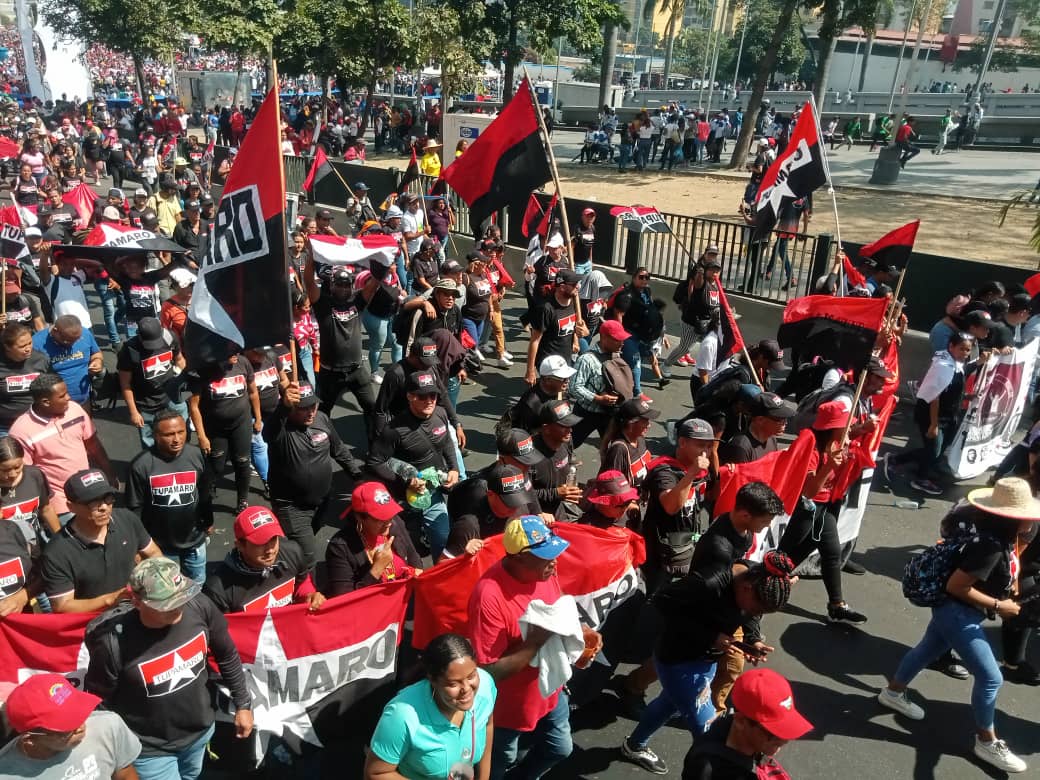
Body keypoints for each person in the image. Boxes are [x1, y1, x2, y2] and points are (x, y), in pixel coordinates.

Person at [878, 478, 1039, 774]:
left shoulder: (998, 539)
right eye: (1028, 514)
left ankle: (892, 693)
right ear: (1013, 517)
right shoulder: (990, 548)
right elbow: (957, 586)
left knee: (926, 650)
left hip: (954, 613)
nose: (1032, 519)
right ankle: (986, 742)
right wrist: (998, 606)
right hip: (958, 614)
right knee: (991, 679)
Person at [620, 552, 796, 775]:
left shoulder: (758, 578)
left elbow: (747, 615)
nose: (754, 614)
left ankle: (634, 746)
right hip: (679, 660)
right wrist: (711, 636)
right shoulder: (709, 583)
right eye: (756, 609)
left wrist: (754, 639)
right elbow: (662, 602)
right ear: (747, 588)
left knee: (669, 702)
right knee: (710, 735)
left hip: (705, 661)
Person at [84, 557, 254, 780]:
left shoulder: (199, 605)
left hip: (200, 733)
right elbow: (100, 703)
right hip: (149, 751)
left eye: (181, 595)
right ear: (137, 601)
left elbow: (227, 655)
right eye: (167, 603)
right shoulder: (113, 643)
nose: (177, 605)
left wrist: (243, 704)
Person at [468, 515, 592, 780]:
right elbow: (488, 671)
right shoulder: (488, 596)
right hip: (507, 711)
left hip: (551, 690)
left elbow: (555, 613)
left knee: (560, 748)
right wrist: (536, 640)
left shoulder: (544, 572)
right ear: (517, 558)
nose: (555, 561)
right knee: (501, 760)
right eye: (546, 555)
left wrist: (580, 635)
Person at [366, 633, 496, 780]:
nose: (467, 688)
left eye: (472, 676)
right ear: (433, 680)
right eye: (453, 683)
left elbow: (487, 724)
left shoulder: (485, 685)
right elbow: (375, 773)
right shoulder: (401, 716)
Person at [264, 381, 363, 572]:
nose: (310, 412)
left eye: (313, 405)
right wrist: (282, 408)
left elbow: (339, 450)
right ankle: (303, 594)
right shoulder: (280, 429)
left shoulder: (322, 419)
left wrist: (357, 475)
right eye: (303, 408)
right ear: (291, 407)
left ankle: (282, 558)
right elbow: (269, 431)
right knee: (307, 558)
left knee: (301, 544)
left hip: (322, 502)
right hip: (292, 507)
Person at [367, 370, 460, 561]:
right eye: (422, 396)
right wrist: (405, 482)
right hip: (404, 502)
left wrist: (454, 468)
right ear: (410, 396)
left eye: (433, 395)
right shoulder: (394, 429)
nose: (429, 401)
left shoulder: (440, 413)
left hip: (433, 494)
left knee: (443, 544)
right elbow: (374, 461)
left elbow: (447, 442)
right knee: (406, 553)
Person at [42, 469, 162, 613]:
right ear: (71, 507)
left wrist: (157, 581)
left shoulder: (127, 519)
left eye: (108, 498)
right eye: (92, 502)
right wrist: (111, 599)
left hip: (136, 612)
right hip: (94, 626)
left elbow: (153, 553)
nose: (104, 507)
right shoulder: (57, 552)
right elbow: (62, 606)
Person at [10, 374, 118, 514]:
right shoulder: (21, 431)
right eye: (62, 396)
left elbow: (93, 444)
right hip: (59, 502)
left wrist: (109, 473)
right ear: (45, 402)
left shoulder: (74, 409)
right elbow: (26, 474)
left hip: (89, 492)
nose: (68, 398)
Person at [0, 673, 141, 779]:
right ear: (30, 739)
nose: (80, 727)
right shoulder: (6, 771)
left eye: (78, 712)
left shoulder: (108, 726)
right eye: (66, 726)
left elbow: (125, 775)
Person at [125, 410, 212, 582]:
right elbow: (134, 509)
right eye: (169, 434)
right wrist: (138, 546)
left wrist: (208, 520)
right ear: (155, 435)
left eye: (181, 432)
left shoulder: (196, 455)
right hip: (159, 547)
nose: (177, 439)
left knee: (198, 587)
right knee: (167, 594)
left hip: (194, 542)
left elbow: (205, 492)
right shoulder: (141, 465)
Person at [681, 668, 813, 779]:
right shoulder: (707, 771)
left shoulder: (734, 733)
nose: (784, 739)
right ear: (740, 721)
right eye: (773, 732)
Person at [203, 504, 324, 612]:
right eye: (260, 543)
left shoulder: (292, 552)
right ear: (239, 545)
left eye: (273, 539)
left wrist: (309, 595)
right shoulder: (219, 589)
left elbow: (302, 582)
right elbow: (221, 631)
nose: (270, 550)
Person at [303, 259, 377, 431]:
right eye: (339, 285)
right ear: (332, 285)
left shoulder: (358, 301)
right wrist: (311, 256)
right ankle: (321, 448)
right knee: (322, 413)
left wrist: (383, 260)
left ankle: (376, 450)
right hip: (330, 373)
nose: (343, 288)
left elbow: (375, 283)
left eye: (347, 285)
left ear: (352, 286)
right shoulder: (323, 303)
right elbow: (308, 281)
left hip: (357, 371)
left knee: (372, 408)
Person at [325, 481, 423, 595]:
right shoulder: (340, 547)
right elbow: (345, 600)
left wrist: (418, 571)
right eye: (380, 518)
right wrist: (376, 570)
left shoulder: (395, 522)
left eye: (390, 514)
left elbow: (412, 554)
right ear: (359, 518)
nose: (389, 522)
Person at [117, 317, 187, 448]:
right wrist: (133, 412)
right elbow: (125, 384)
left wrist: (176, 373)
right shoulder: (130, 350)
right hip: (146, 404)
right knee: (149, 443)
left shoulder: (169, 337)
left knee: (180, 433)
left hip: (171, 398)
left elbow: (180, 360)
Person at [568, 319, 632, 447]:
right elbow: (574, 387)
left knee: (613, 448)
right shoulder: (587, 359)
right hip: (587, 413)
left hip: (611, 414)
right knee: (569, 444)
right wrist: (598, 398)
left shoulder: (616, 355)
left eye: (622, 339)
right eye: (617, 339)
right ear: (604, 338)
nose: (622, 343)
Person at [525, 269, 587, 386]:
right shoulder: (546, 309)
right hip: (549, 361)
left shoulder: (574, 302)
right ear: (562, 287)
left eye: (578, 283)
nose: (578, 287)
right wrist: (530, 370)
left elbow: (576, 325)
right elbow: (534, 340)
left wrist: (576, 340)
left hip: (565, 358)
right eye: (574, 284)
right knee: (553, 395)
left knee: (560, 394)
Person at [32, 315, 102, 407]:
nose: (73, 344)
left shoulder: (85, 333)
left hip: (84, 400)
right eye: (67, 340)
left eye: (77, 340)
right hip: (54, 406)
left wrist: (97, 361)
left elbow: (96, 353)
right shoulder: (36, 343)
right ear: (55, 331)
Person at [0, 323, 51, 436]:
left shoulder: (41, 359)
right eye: (22, 346)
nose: (28, 349)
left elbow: (52, 387)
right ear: (7, 347)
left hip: (37, 422)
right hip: (5, 427)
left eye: (30, 343)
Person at [507, 355, 574, 434]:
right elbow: (522, 434)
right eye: (563, 378)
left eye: (568, 377)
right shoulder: (531, 404)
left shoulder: (560, 391)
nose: (567, 381)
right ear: (548, 380)